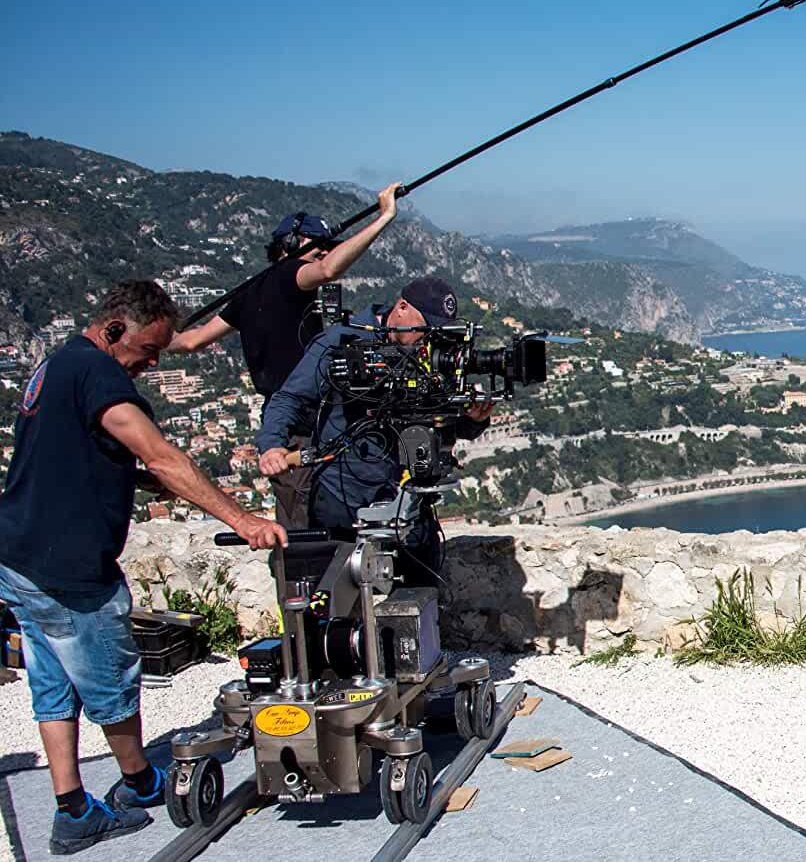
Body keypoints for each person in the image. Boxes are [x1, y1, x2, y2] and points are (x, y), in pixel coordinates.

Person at [0, 281, 286, 855]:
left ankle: (72, 806)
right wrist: (243, 519)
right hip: (70, 567)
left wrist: (128, 478)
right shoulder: (100, 374)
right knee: (110, 678)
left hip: (19, 556)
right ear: (114, 330)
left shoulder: (59, 364)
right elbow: (162, 454)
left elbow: (67, 452)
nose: (153, 363)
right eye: (148, 349)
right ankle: (138, 781)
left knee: (54, 686)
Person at [168, 184, 400, 528]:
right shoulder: (290, 276)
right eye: (318, 246)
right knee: (314, 525)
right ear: (290, 245)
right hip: (305, 425)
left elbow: (191, 342)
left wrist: (154, 342)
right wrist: (384, 217)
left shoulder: (249, 291)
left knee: (297, 521)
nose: (325, 252)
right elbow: (328, 271)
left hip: (284, 424)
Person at [256, 276, 494, 578]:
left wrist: (475, 419)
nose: (427, 338)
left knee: (420, 590)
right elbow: (289, 398)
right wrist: (271, 445)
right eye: (424, 328)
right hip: (341, 495)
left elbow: (446, 423)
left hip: (407, 498)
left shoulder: (432, 353)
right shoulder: (342, 341)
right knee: (336, 593)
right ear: (402, 308)